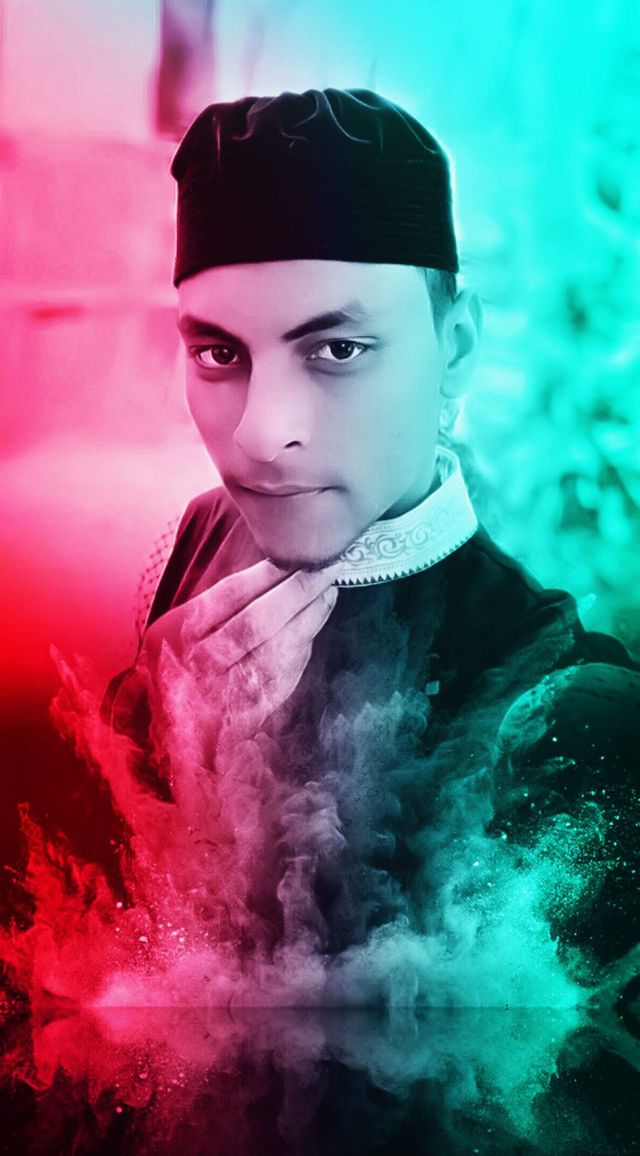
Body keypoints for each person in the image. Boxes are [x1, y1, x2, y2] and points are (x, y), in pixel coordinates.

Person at [105, 88, 640, 984]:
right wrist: (144, 739)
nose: (259, 434)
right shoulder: (192, 540)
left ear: (456, 348)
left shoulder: (564, 711)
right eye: (220, 353)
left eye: (337, 350)